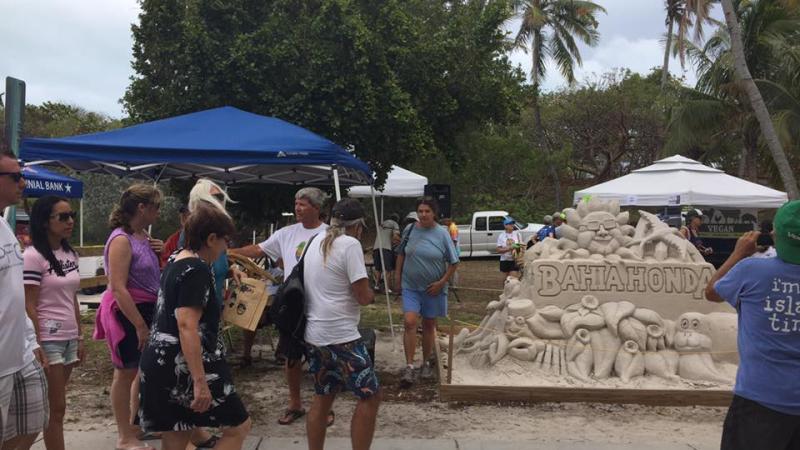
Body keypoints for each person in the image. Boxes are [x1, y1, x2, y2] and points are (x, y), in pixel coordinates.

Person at [138, 204, 251, 450]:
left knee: (178, 433)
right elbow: (187, 325)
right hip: (185, 366)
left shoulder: (176, 258)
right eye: (224, 242)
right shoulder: (196, 270)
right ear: (211, 239)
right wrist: (200, 382)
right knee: (238, 427)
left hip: (161, 361)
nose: (225, 249)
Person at [229, 187, 332, 426]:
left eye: (303, 204)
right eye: (296, 203)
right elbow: (259, 249)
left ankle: (323, 407)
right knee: (292, 356)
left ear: (316, 208)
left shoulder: (330, 235)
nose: (297, 208)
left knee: (321, 356)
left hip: (320, 302)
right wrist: (230, 252)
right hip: (292, 303)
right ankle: (295, 404)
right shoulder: (286, 233)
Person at [705, 200, 800, 450]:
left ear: (774, 234)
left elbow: (712, 291)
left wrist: (738, 254)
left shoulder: (751, 270)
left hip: (760, 398)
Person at [302, 198, 380, 450]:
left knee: (322, 398)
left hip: (315, 334)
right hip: (342, 337)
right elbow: (362, 295)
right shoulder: (350, 245)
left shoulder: (316, 241)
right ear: (357, 226)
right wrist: (372, 294)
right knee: (369, 396)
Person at [93, 184, 163, 450]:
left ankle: (136, 425)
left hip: (146, 307)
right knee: (125, 372)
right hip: (128, 311)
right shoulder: (121, 239)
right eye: (156, 207)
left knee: (141, 371)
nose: (158, 212)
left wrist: (157, 253)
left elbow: (148, 274)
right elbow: (118, 287)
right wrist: (139, 325)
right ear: (141, 208)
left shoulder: (142, 236)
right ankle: (124, 436)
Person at [23, 196, 83, 450]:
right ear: (45, 221)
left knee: (54, 407)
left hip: (69, 336)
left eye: (72, 216)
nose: (70, 221)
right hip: (48, 338)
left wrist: (80, 336)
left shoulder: (70, 253)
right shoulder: (33, 256)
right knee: (56, 408)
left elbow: (73, 297)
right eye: (62, 217)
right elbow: (29, 304)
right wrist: (36, 343)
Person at [0, 149, 49, 450]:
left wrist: (31, 341)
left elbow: (13, 290)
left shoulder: (4, 225)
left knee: (32, 424)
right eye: (16, 177)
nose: (23, 183)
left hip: (20, 354)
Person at [394, 197, 459, 388]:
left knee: (429, 325)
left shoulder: (442, 234)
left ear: (434, 213)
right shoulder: (410, 229)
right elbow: (401, 253)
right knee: (410, 322)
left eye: (427, 211)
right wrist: (397, 276)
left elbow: (454, 262)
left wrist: (441, 283)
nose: (423, 215)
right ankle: (409, 366)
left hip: (433, 289)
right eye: (420, 211)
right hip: (410, 286)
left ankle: (425, 363)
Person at [372, 214, 399, 293]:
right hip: (386, 248)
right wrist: (402, 241)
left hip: (376, 247)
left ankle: (376, 286)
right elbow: (395, 237)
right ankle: (387, 288)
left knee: (378, 268)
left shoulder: (382, 224)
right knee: (388, 269)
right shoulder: (394, 224)